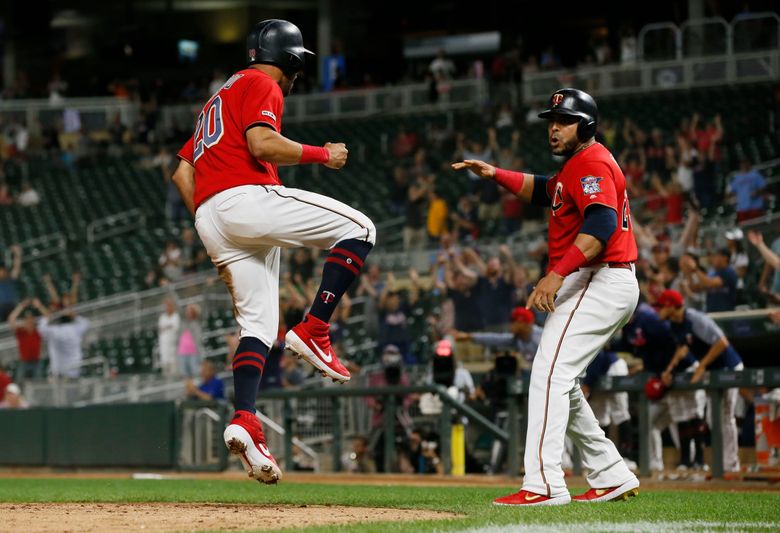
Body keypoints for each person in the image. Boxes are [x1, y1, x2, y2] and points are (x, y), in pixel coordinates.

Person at [171, 19, 375, 486]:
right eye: (296, 65)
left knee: (259, 327)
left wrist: (211, 232)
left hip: (211, 214)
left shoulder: (217, 98)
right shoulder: (264, 82)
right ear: (288, 60)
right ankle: (315, 328)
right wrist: (323, 154)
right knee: (361, 228)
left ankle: (244, 417)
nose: (295, 74)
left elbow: (182, 173)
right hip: (245, 197)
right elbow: (261, 143)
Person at [453, 88, 639, 505]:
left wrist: (555, 275)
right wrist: (495, 174)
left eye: (564, 121)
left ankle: (544, 484)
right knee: (561, 378)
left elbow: (602, 224)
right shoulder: (576, 166)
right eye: (551, 121)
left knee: (550, 373)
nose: (554, 128)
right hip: (597, 277)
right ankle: (610, 472)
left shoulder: (591, 160)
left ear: (586, 125)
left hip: (599, 276)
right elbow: (545, 191)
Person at [656, 289, 743, 472]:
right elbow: (683, 349)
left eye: (661, 306)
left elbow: (722, 343)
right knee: (713, 418)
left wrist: (701, 366)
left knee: (725, 417)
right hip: (713, 371)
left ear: (671, 306)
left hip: (729, 367)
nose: (658, 311)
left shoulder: (695, 318)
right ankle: (722, 464)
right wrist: (670, 369)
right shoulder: (674, 324)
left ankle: (731, 465)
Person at [456, 306, 541, 372]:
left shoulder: (541, 336)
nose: (512, 325)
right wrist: (470, 336)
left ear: (524, 324)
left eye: (515, 322)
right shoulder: (517, 338)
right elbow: (495, 339)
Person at [33, 297, 90, 379]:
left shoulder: (53, 331)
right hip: (74, 373)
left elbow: (41, 327)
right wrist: (73, 315)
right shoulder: (76, 329)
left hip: (59, 374)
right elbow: (86, 323)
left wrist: (48, 313)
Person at [8, 298, 43, 381]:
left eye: (31, 319)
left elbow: (48, 318)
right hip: (24, 362)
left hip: (36, 362)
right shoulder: (21, 331)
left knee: (38, 384)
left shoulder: (38, 331)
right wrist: (21, 306)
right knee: (20, 384)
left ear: (34, 320)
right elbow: (11, 319)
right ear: (24, 321)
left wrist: (39, 306)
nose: (29, 321)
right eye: (27, 319)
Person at [177, 303, 204, 379]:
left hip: (193, 352)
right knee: (184, 374)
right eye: (187, 311)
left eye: (190, 312)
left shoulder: (197, 323)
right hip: (182, 352)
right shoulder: (183, 323)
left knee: (195, 372)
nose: (188, 313)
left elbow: (198, 339)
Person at [157, 296, 180, 376]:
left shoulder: (176, 316)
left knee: (174, 369)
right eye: (166, 305)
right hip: (164, 346)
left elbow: (176, 328)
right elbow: (161, 329)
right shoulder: (162, 317)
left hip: (174, 346)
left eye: (169, 305)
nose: (168, 307)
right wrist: (169, 326)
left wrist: (167, 327)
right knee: (165, 370)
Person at [0, 245, 22, 320]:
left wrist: (17, 254)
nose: (2, 272)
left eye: (3, 270)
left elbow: (17, 267)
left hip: (11, 306)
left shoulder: (10, 279)